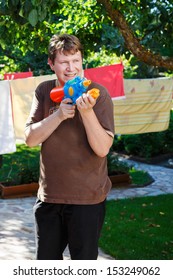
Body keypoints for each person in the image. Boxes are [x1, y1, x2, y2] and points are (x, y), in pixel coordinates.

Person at [25, 33, 115, 260]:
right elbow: (30, 139)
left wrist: (86, 112)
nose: (71, 68)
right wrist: (58, 116)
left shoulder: (99, 94)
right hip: (49, 198)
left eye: (76, 61)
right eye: (64, 62)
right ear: (51, 63)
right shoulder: (43, 91)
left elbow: (102, 148)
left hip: (87, 199)